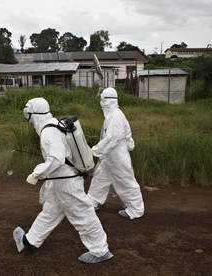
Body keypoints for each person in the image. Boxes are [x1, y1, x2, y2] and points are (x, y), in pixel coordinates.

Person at [13, 97, 113, 264]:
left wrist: (37, 173)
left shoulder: (47, 130)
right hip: (60, 179)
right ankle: (30, 241)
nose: (26, 113)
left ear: (34, 113)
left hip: (66, 181)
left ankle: (100, 250)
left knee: (82, 213)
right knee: (51, 210)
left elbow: (57, 159)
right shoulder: (53, 123)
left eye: (27, 109)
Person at [88, 87, 145, 220]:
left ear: (109, 101)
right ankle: (91, 202)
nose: (100, 101)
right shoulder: (111, 115)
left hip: (117, 158)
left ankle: (136, 210)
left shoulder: (116, 116)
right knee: (99, 179)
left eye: (102, 98)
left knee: (126, 182)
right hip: (109, 157)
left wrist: (94, 151)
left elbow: (112, 139)